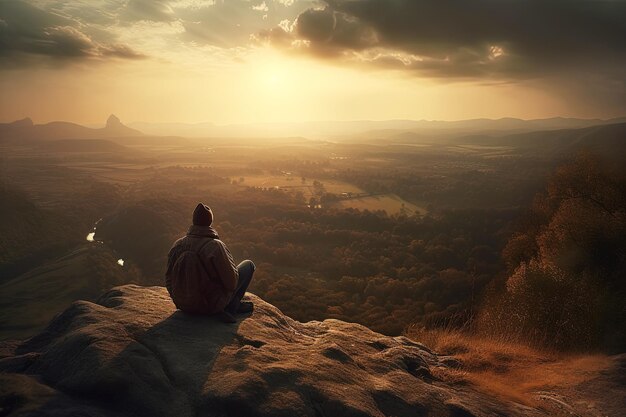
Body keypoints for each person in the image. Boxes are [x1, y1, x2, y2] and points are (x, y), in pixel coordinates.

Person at [166, 203, 255, 323]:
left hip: (183, 305)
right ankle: (230, 308)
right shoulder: (215, 246)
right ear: (210, 222)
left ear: (193, 221)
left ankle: (230, 306)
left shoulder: (178, 245)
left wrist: (180, 298)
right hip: (210, 306)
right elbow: (232, 283)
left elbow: (168, 278)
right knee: (248, 265)